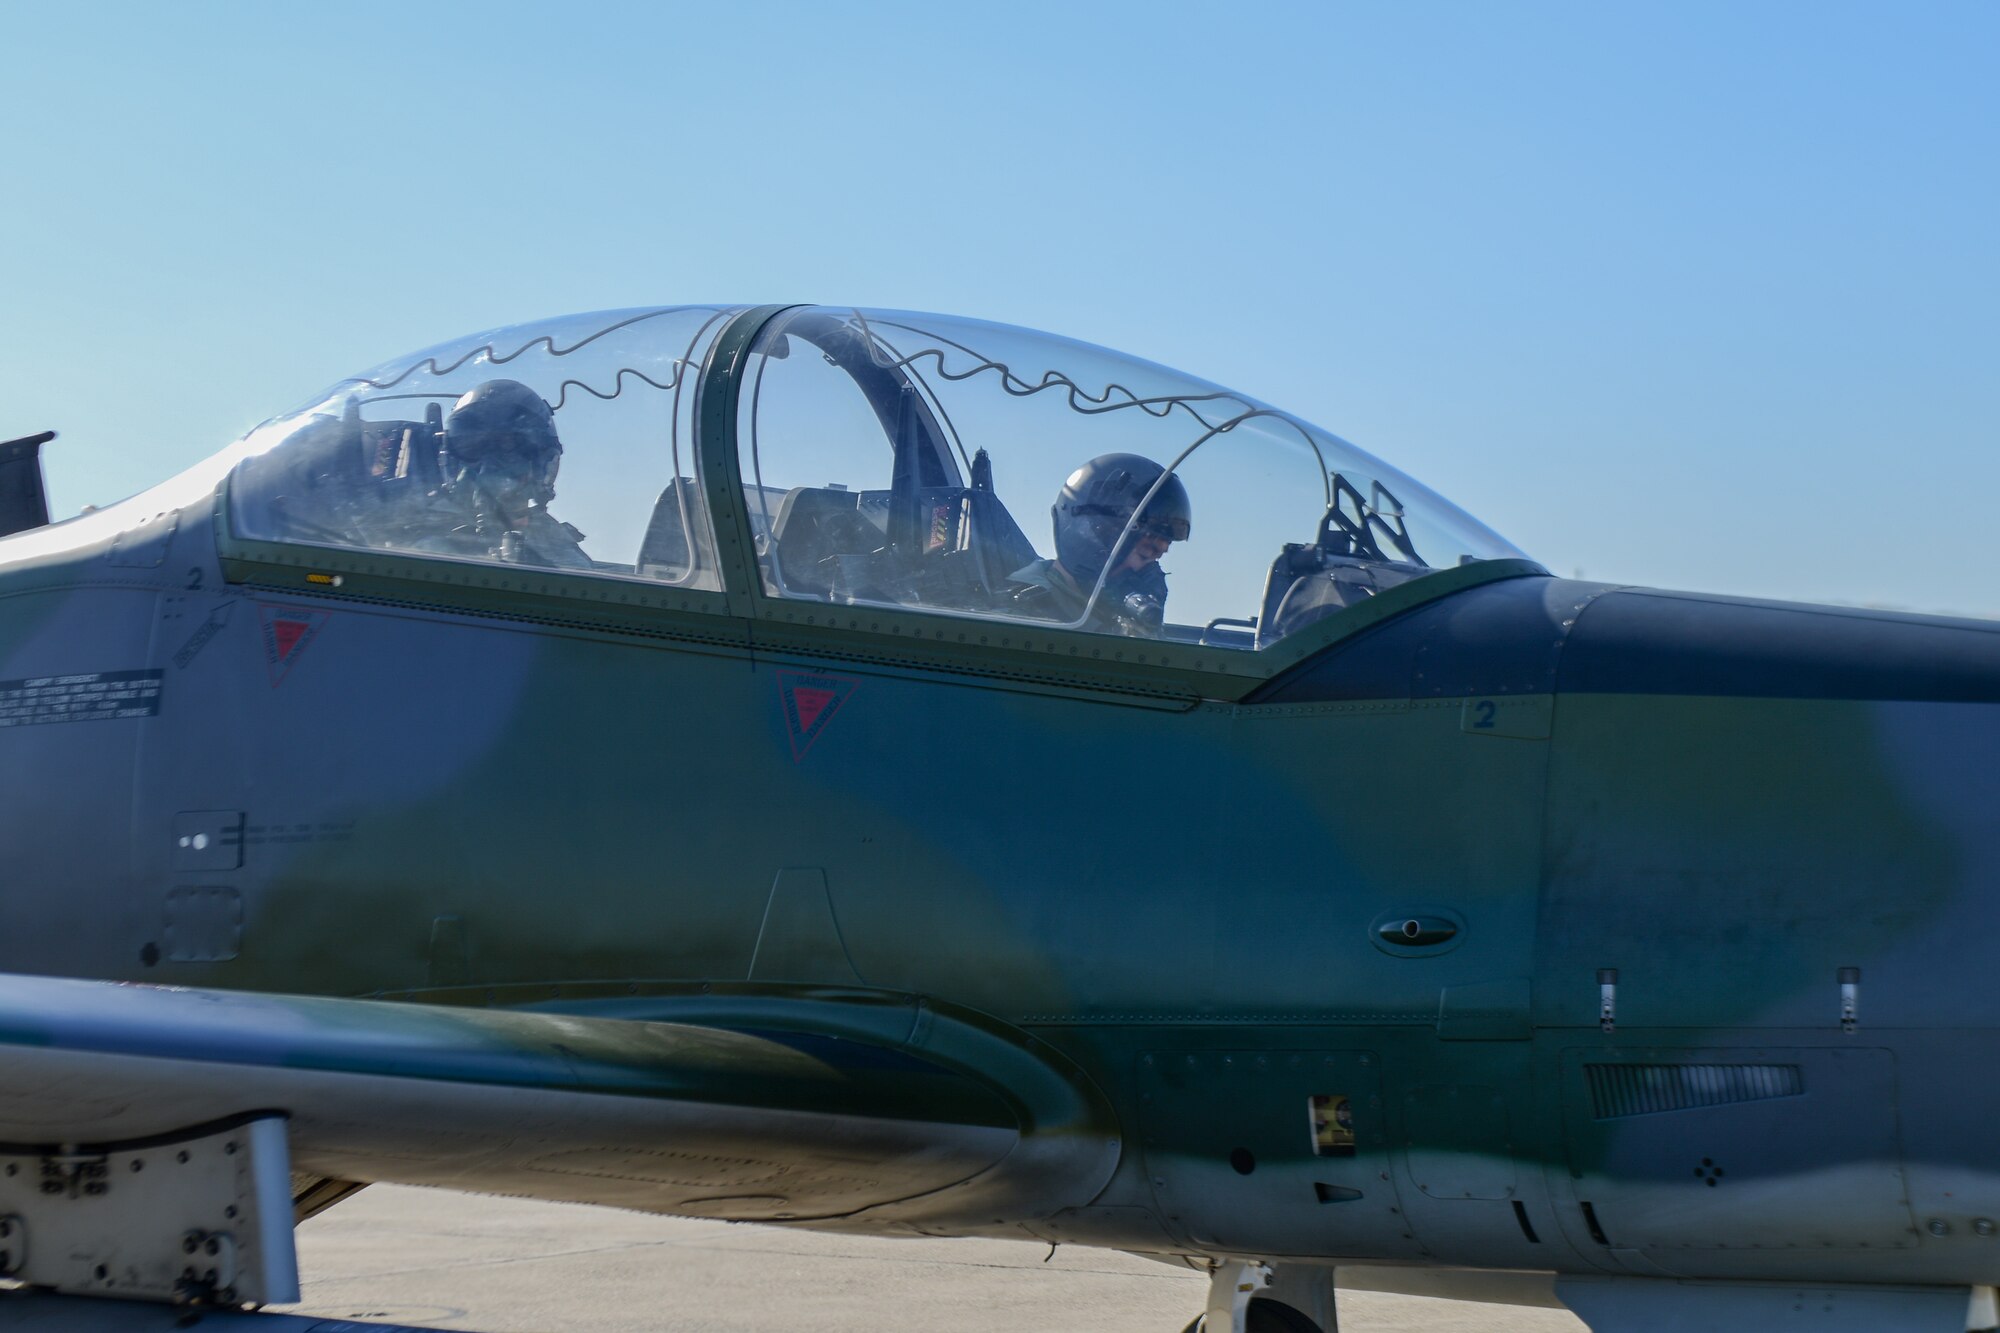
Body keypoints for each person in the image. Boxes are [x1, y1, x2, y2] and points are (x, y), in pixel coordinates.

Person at [415, 379, 592, 571]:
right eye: (473, 448)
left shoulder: (555, 545)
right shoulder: (422, 541)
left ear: (539, 464)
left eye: (508, 452)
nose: (487, 468)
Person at [1008, 453, 1191, 636]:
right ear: (1098, 542)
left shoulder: (1120, 623)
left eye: (1156, 558)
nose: (1151, 572)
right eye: (1144, 554)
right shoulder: (1017, 617)